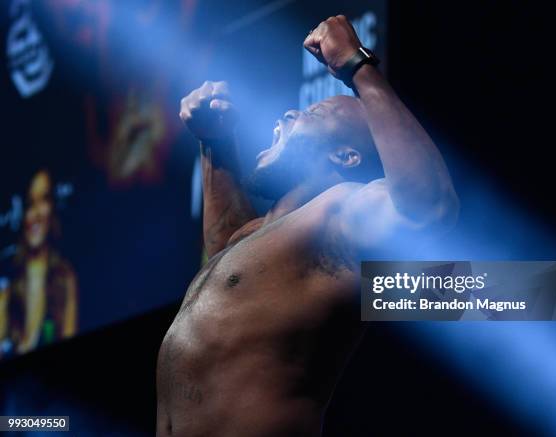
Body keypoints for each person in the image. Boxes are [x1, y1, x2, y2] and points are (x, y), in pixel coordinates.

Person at [157, 16, 459, 436]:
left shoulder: (342, 210)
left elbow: (428, 208)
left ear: (346, 157)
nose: (288, 112)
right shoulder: (259, 234)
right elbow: (229, 257)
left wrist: (356, 66)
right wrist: (216, 142)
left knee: (548, 291)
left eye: (313, 112)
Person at [6, 170, 78, 355]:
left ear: (53, 206)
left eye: (43, 200)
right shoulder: (8, 283)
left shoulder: (64, 277)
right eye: (30, 203)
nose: (36, 213)